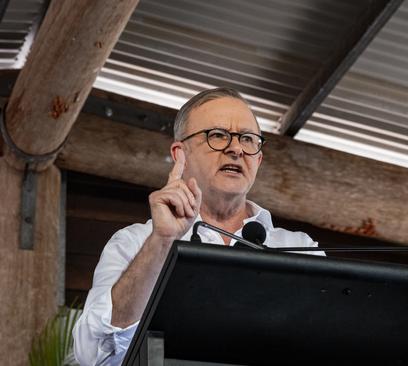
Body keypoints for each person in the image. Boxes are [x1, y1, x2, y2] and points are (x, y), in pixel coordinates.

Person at [72, 88, 321, 365]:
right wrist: (162, 241)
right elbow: (93, 353)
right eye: (217, 135)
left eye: (248, 139)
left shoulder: (300, 249)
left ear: (258, 159)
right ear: (181, 153)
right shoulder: (134, 242)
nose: (236, 149)